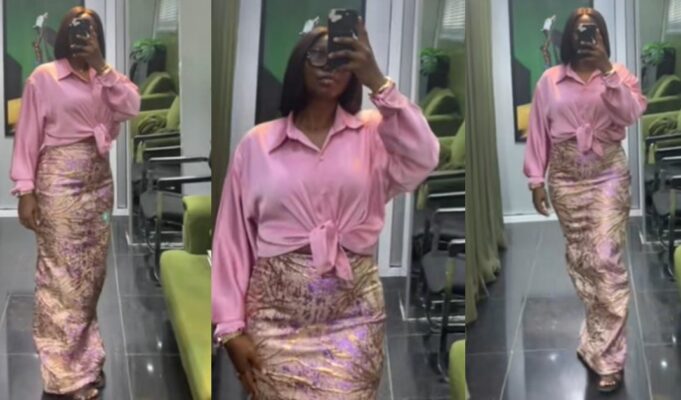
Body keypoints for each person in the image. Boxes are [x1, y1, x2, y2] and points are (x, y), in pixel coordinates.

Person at [212, 20, 439, 399]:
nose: (328, 66)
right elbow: (232, 239)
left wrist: (377, 80)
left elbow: (425, 156)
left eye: (340, 58)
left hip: (354, 317)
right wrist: (230, 327)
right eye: (317, 55)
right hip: (274, 319)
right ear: (298, 62)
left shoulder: (373, 133)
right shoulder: (257, 144)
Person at [10, 7, 140, 400]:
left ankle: (84, 356)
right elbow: (27, 136)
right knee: (60, 276)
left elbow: (132, 106)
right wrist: (26, 191)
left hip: (99, 185)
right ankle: (63, 370)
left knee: (90, 276)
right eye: (76, 29)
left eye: (90, 30)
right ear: (64, 35)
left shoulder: (106, 78)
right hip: (59, 183)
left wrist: (102, 65)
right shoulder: (44, 77)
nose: (82, 35)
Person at [523, 7, 646, 393]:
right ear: (568, 38)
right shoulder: (550, 81)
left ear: (602, 36)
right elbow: (538, 132)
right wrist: (535, 180)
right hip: (566, 180)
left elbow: (630, 114)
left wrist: (608, 71)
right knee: (583, 262)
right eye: (579, 31)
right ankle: (596, 335)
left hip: (609, 175)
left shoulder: (619, 75)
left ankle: (610, 356)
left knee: (606, 260)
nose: (585, 37)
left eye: (592, 31)